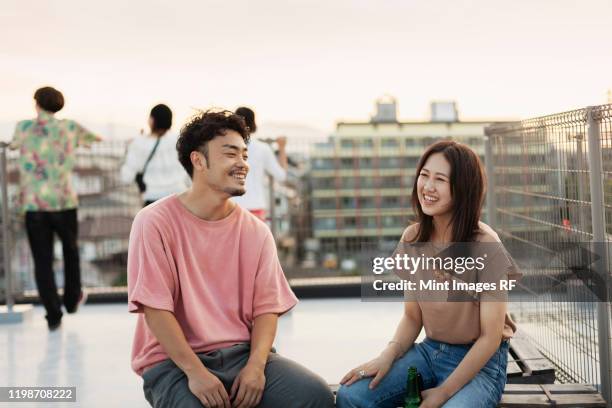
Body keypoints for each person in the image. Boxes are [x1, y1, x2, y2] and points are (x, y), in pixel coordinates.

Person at [127, 110, 334, 408]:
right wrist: (196, 373)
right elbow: (155, 309)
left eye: (245, 155)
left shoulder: (255, 231)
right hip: (173, 363)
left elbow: (266, 309)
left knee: (316, 397)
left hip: (243, 353)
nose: (242, 164)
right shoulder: (154, 222)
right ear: (198, 161)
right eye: (230, 154)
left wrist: (256, 366)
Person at [336, 141, 521, 408]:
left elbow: (490, 337)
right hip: (430, 352)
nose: (428, 187)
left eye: (440, 179)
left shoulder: (485, 245)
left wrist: (443, 393)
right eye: (424, 175)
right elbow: (412, 317)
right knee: (351, 395)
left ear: (463, 189)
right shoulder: (412, 238)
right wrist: (387, 355)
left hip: (481, 365)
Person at [9, 86, 102, 330]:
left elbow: (12, 146)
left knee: (42, 260)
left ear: (36, 103)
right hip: (64, 201)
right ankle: (71, 300)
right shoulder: (69, 127)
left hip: (34, 203)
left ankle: (53, 315)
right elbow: (95, 140)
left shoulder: (23, 127)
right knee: (70, 251)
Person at [120, 104, 188, 206]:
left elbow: (126, 177)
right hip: (180, 196)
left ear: (152, 120)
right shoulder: (179, 141)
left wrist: (128, 150)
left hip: (153, 200)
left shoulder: (139, 143)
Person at [232, 106, 287, 221]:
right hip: (255, 206)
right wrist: (282, 148)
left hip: (231, 207)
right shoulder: (262, 149)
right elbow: (281, 175)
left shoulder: (226, 148)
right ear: (253, 124)